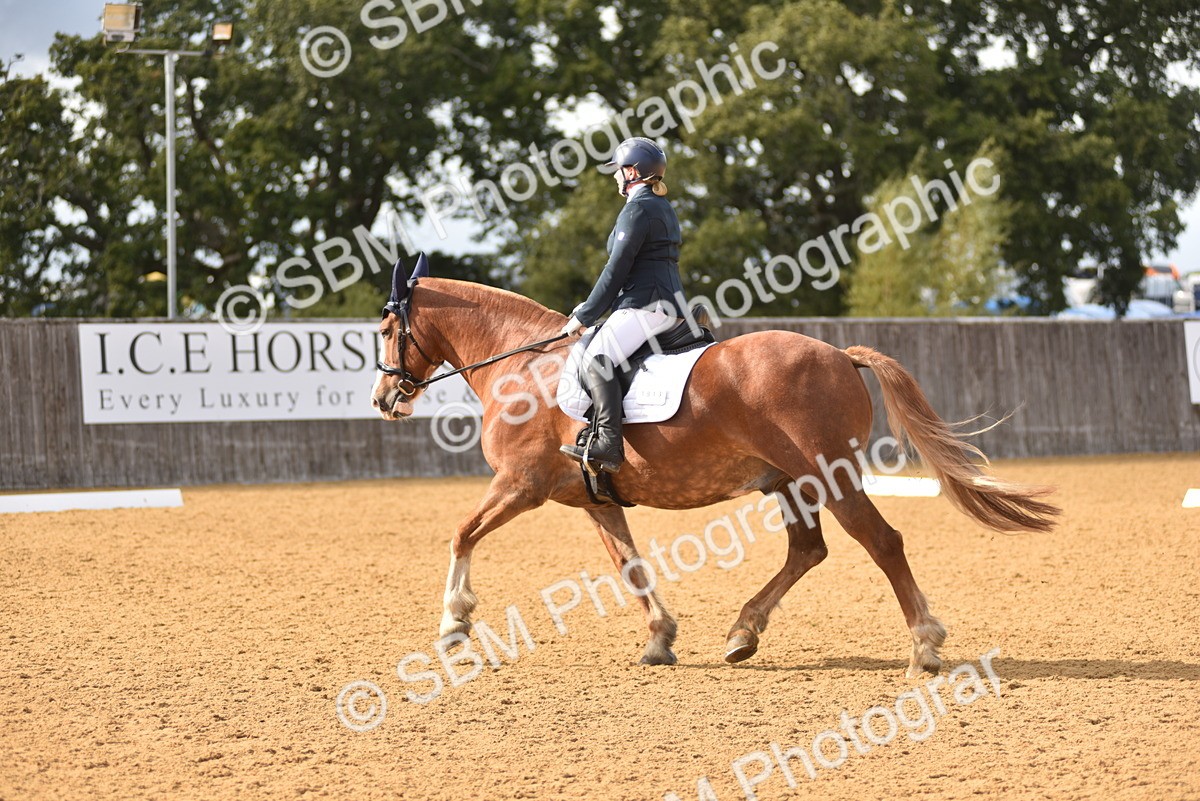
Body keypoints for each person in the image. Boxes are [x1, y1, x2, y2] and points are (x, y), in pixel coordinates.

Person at [559, 137, 688, 474]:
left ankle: (607, 444)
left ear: (632, 172)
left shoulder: (638, 208)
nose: (615, 176)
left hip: (646, 304)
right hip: (664, 302)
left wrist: (584, 315)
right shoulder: (660, 205)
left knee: (596, 361)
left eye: (618, 170)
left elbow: (616, 268)